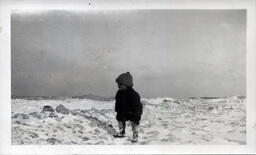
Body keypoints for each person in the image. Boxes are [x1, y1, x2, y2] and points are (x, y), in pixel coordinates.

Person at [114, 72, 143, 142]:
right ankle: (121, 131)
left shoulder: (133, 94)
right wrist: (117, 109)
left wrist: (135, 113)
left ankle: (135, 134)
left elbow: (137, 106)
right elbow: (117, 101)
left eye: (120, 84)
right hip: (123, 111)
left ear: (127, 84)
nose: (118, 85)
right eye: (118, 84)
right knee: (120, 119)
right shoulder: (119, 93)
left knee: (134, 122)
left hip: (133, 111)